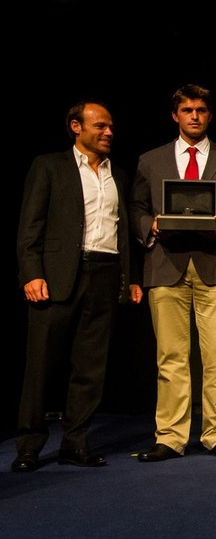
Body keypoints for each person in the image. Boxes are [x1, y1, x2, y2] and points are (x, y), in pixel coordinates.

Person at [12, 100, 142, 473]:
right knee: (41, 365)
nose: (108, 133)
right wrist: (31, 273)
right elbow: (30, 226)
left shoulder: (118, 173)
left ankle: (75, 443)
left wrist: (130, 277)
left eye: (111, 127)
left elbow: (122, 229)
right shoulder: (49, 166)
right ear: (76, 127)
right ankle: (29, 445)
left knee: (90, 366)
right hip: (56, 276)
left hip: (104, 274)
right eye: (100, 126)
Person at [130, 84, 216, 462]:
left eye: (200, 110)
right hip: (166, 266)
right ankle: (170, 435)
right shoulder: (151, 160)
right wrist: (150, 226)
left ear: (209, 115)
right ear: (175, 116)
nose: (194, 116)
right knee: (171, 356)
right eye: (187, 110)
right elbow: (135, 207)